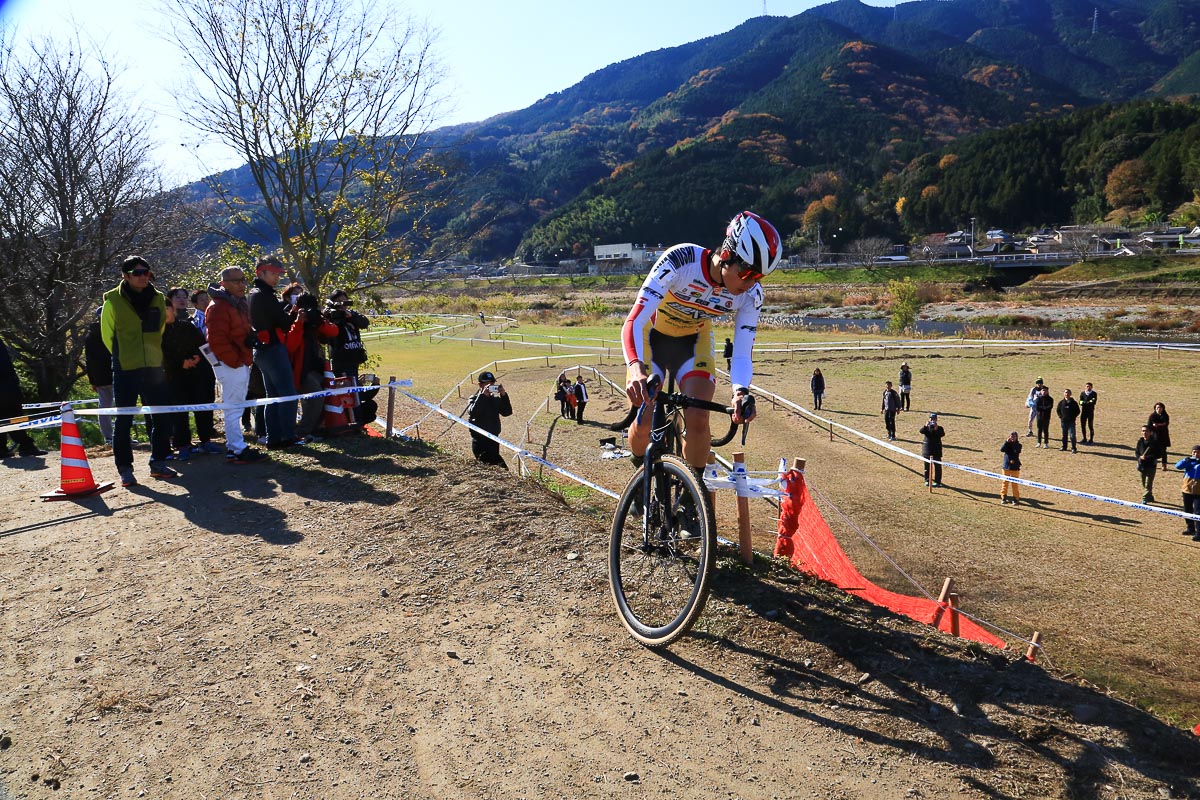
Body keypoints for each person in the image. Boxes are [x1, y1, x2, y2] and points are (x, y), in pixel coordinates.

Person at [622, 210, 778, 471]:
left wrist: (741, 391)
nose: (752, 284)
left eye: (760, 277)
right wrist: (636, 368)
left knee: (698, 418)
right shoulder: (681, 260)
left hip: (693, 341)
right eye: (749, 274)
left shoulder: (751, 296)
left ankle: (691, 497)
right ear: (728, 255)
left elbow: (741, 353)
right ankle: (640, 466)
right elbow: (634, 320)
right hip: (652, 337)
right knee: (646, 415)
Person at [100, 256, 176, 486]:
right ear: (125, 275)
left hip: (153, 367)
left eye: (146, 272)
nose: (143, 276)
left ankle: (158, 462)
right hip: (125, 368)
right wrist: (123, 356)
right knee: (123, 421)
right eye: (137, 272)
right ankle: (125, 468)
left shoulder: (159, 299)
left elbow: (160, 329)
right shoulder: (112, 300)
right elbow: (107, 335)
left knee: (162, 416)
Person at [205, 267, 264, 464]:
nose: (241, 284)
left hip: (239, 361)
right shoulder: (218, 307)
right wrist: (236, 362)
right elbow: (216, 341)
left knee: (234, 408)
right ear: (223, 283)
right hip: (231, 364)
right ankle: (238, 449)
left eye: (243, 280)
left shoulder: (236, 303)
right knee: (233, 408)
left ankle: (234, 447)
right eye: (235, 281)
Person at [248, 256, 299, 449]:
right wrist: (294, 313)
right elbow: (285, 324)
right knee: (287, 394)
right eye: (274, 273)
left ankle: (273, 438)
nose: (278, 277)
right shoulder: (264, 294)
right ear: (261, 272)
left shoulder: (253, 293)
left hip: (261, 350)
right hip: (273, 348)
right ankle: (287, 436)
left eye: (279, 274)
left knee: (272, 395)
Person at [163, 287, 221, 457]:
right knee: (179, 413)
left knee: (203, 408)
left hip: (199, 374)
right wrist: (181, 363)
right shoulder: (157, 333)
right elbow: (160, 355)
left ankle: (205, 441)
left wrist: (202, 361)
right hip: (175, 377)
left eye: (167, 308)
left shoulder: (187, 326)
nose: (165, 312)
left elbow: (203, 346)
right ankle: (183, 445)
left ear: (173, 309)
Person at [286, 292, 338, 440]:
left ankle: (313, 429)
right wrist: (299, 321)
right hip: (300, 369)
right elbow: (291, 345)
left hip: (315, 366)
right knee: (316, 397)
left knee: (320, 396)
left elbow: (333, 331)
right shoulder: (290, 319)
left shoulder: (316, 320)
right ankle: (302, 431)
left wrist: (319, 320)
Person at [0, 337, 49, 459]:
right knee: (13, 415)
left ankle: (24, 446)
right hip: (8, 386)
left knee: (15, 416)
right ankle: (22, 446)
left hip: (8, 386)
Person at [467, 371, 512, 468]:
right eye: (487, 383)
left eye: (492, 383)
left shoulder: (495, 400)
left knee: (496, 469)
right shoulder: (474, 399)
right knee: (500, 469)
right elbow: (473, 412)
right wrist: (483, 396)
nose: (490, 385)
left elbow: (507, 412)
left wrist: (503, 395)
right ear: (480, 385)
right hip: (480, 443)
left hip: (494, 441)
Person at [84, 306, 114, 445]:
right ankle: (112, 436)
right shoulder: (106, 333)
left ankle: (110, 436)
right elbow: (90, 360)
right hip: (111, 374)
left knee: (106, 406)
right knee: (114, 406)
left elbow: (88, 360)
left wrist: (92, 379)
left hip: (101, 376)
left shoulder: (90, 335)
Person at [1175, 446, 1200, 541]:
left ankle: (1199, 533)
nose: (1196, 454)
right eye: (1194, 452)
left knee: (1198, 513)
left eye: (1198, 452)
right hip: (1187, 490)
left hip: (1198, 492)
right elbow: (1178, 466)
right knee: (1187, 510)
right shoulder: (1189, 462)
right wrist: (1186, 460)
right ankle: (1190, 528)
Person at [1135, 425, 1162, 503]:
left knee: (1148, 484)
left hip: (1151, 466)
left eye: (1146, 431)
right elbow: (1137, 452)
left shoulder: (1154, 443)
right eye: (1143, 431)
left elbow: (1159, 454)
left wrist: (1147, 457)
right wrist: (1139, 457)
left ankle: (1144, 499)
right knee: (1144, 483)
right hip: (1142, 466)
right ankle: (1150, 497)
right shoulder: (1140, 441)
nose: (1144, 433)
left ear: (1151, 433)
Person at [919, 412, 945, 487]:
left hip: (936, 451)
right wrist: (925, 425)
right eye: (931, 419)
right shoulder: (926, 428)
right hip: (927, 450)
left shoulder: (940, 428)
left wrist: (936, 428)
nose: (932, 420)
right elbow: (921, 431)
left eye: (933, 419)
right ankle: (927, 480)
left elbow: (942, 434)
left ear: (936, 420)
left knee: (937, 467)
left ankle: (937, 482)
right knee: (927, 466)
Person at [999, 430, 1022, 505]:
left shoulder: (1019, 445)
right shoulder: (1007, 444)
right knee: (1005, 483)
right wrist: (1007, 442)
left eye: (1014, 437)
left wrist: (1013, 442)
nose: (1012, 438)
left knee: (1015, 484)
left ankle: (1016, 499)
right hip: (1006, 467)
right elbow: (1002, 449)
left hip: (1015, 468)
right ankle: (1003, 497)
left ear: (1016, 438)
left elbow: (1016, 450)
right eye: (1011, 436)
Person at [1147, 402, 1171, 471]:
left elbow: (1165, 424)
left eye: (1160, 408)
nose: (1159, 409)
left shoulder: (1165, 416)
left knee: (1163, 451)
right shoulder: (1152, 416)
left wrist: (1157, 425)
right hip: (1154, 436)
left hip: (1163, 437)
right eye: (1157, 408)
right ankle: (1152, 464)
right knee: (1152, 451)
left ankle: (1164, 465)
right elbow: (1149, 426)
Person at [1055, 388, 1080, 453]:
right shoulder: (1061, 402)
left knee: (1072, 435)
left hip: (1071, 422)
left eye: (1068, 392)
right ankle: (1064, 446)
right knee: (1064, 435)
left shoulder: (1074, 403)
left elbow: (1078, 411)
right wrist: (1061, 416)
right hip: (1064, 421)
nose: (1067, 394)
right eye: (1065, 392)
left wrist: (1073, 417)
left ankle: (1074, 448)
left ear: (1070, 394)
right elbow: (1058, 410)